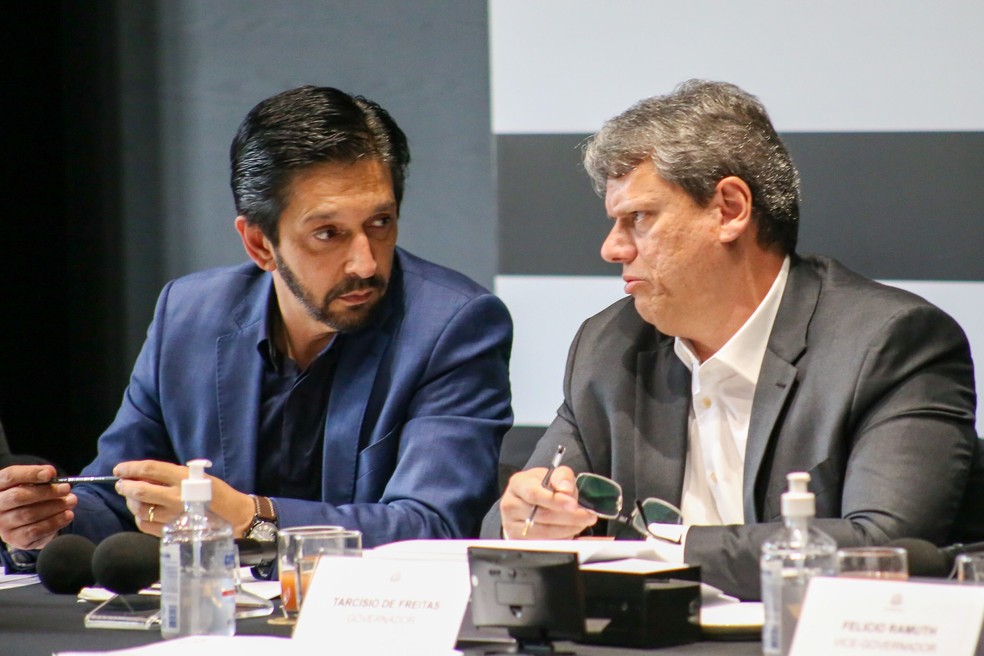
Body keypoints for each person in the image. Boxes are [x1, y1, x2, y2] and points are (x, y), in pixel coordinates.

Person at [482, 79, 982, 600]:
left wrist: (668, 551)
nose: (612, 248)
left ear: (729, 209)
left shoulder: (889, 344)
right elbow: (507, 528)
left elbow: (883, 547)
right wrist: (530, 516)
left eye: (639, 218)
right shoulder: (609, 348)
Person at [0, 86, 513, 554]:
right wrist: (47, 523)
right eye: (328, 234)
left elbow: (433, 527)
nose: (366, 262)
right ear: (259, 244)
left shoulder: (453, 326)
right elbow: (119, 496)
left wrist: (252, 519)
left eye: (380, 223)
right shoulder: (189, 314)